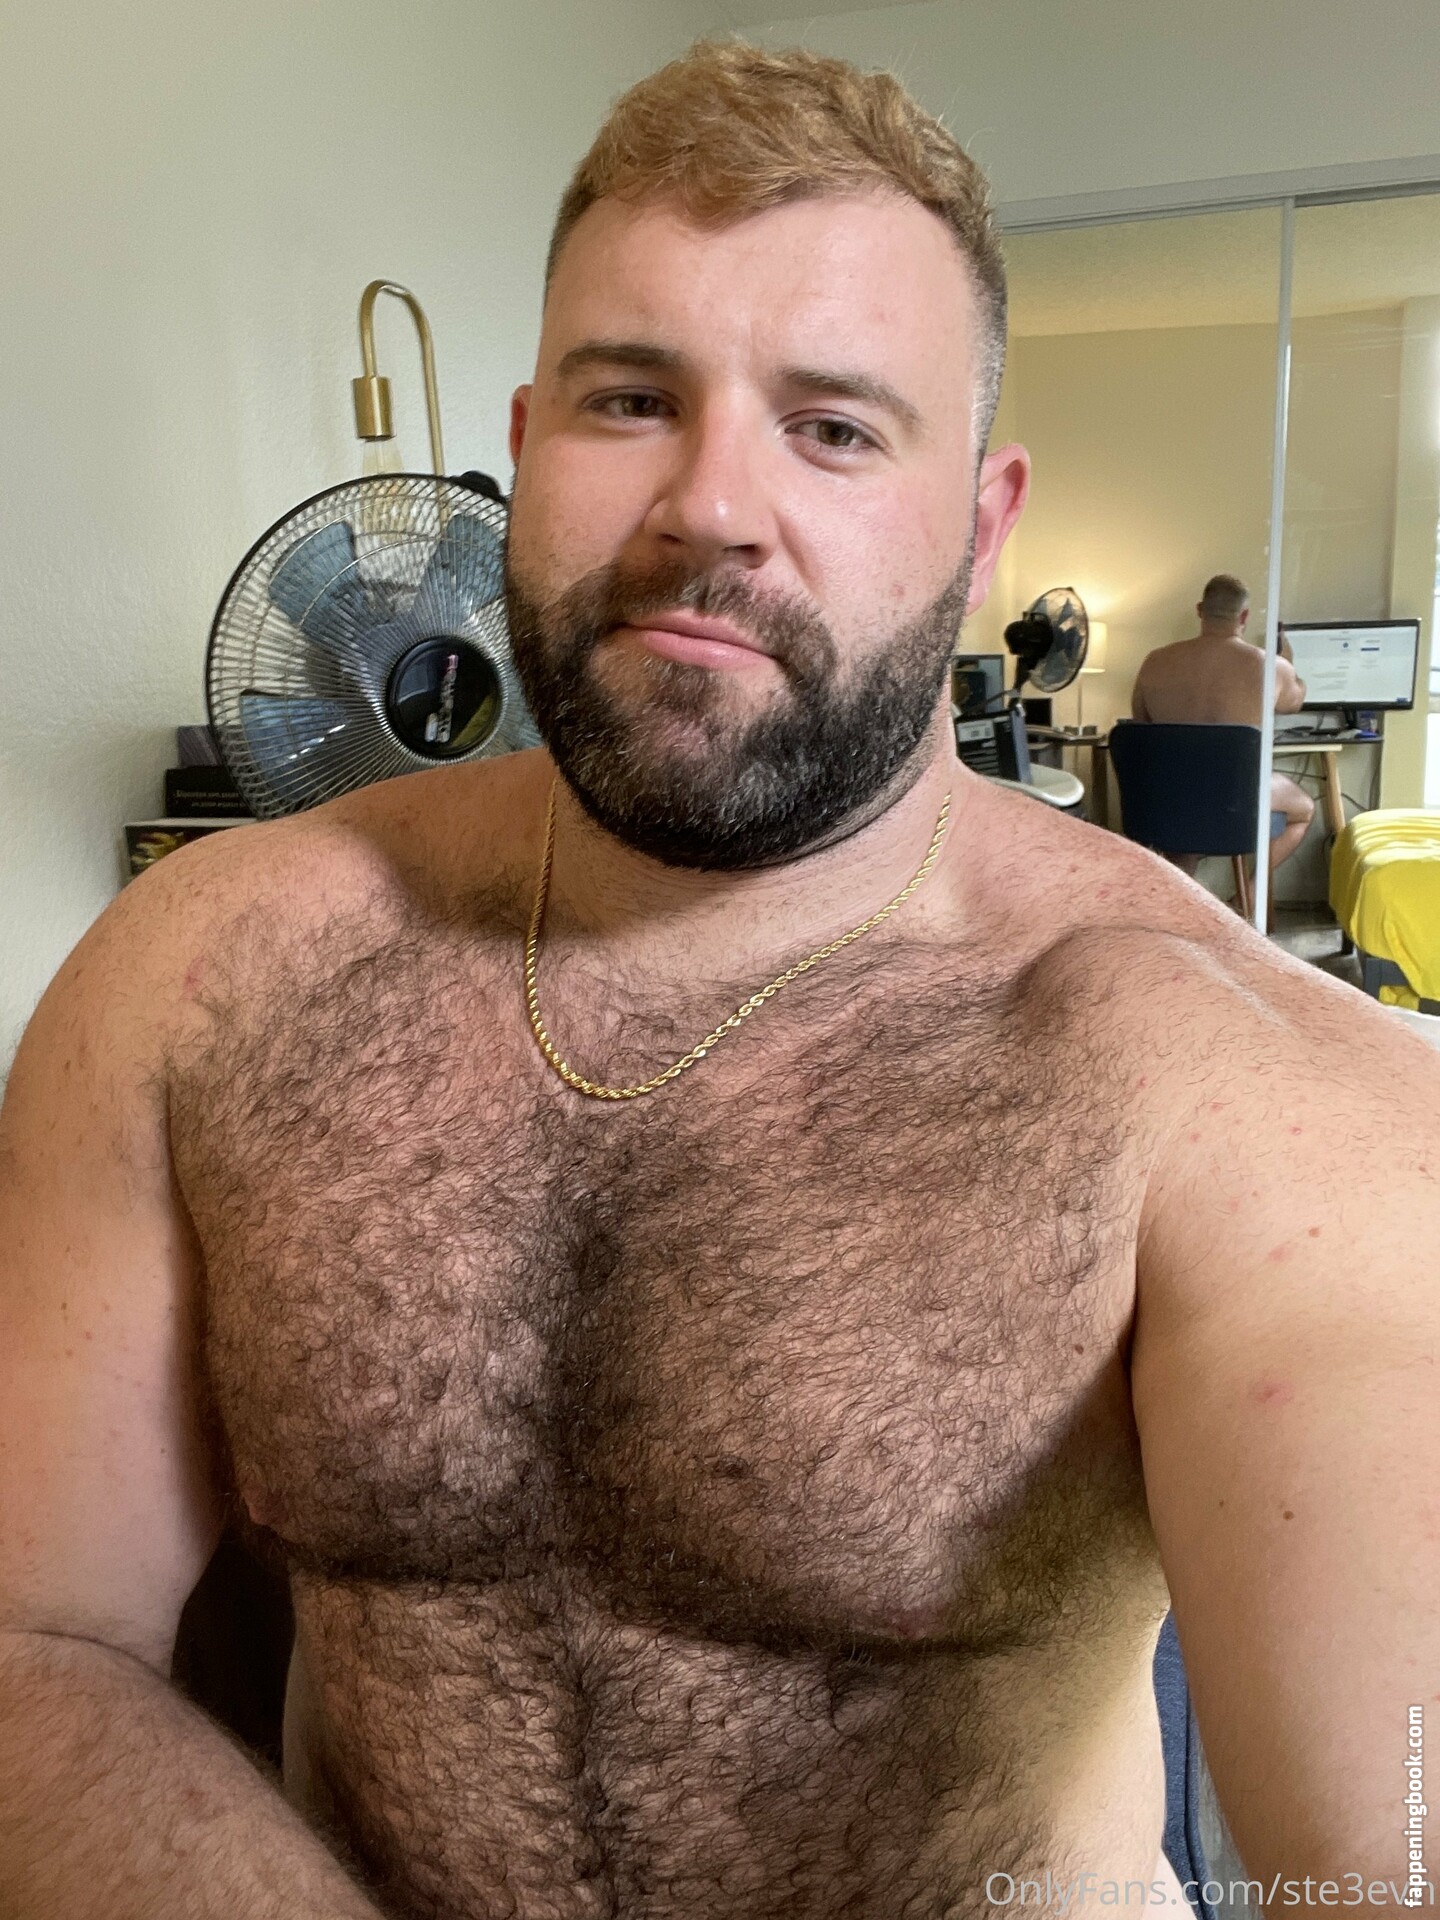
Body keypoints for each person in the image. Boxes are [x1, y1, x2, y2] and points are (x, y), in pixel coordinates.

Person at [1, 41, 1436, 1920]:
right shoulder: (201, 980)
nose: (711, 506)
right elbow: (37, 1636)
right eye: (630, 400)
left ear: (981, 525)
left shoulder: (1247, 1093)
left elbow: (1391, 1854)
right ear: (523, 451)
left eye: (833, 428)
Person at [1130, 574, 1316, 870]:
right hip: (1235, 798)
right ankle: (1250, 894)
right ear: (1244, 616)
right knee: (1304, 809)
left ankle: (1184, 894)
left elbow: (1141, 723)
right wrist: (1289, 664)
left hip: (1171, 798)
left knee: (1184, 828)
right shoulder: (1272, 666)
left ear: (1199, 610)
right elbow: (1293, 703)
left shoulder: (1154, 661)